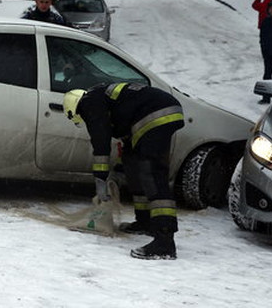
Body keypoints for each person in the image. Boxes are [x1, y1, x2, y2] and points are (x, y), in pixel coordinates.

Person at [63, 83, 185, 260]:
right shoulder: (108, 102)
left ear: (75, 107)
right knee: (133, 167)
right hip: (152, 116)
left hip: (156, 114)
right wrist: (120, 168)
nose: (85, 119)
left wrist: (101, 180)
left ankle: (164, 240)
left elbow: (101, 143)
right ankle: (145, 222)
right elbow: (127, 139)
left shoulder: (89, 102)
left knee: (151, 174)